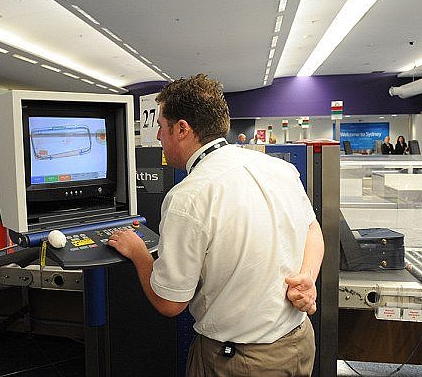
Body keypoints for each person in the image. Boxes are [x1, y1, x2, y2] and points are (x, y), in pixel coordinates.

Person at [107, 74, 324, 376]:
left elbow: (170, 304)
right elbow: (313, 229)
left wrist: (138, 252)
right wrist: (307, 276)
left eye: (161, 125)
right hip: (299, 343)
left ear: (182, 129)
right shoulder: (279, 169)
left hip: (241, 362)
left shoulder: (189, 197)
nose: (157, 136)